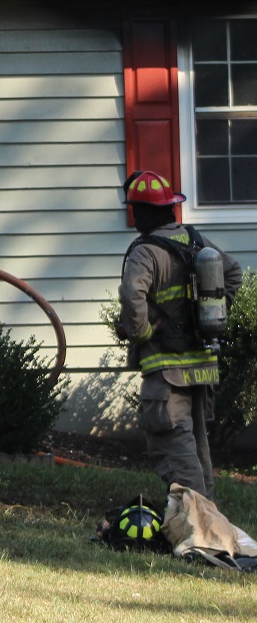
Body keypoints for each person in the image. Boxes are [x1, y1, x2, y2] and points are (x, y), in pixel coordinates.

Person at [115, 169, 242, 498]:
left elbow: (132, 295)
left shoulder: (145, 251)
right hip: (201, 364)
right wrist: (210, 315)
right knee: (197, 450)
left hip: (168, 369)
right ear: (170, 207)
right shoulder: (195, 241)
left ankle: (197, 528)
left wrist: (140, 333)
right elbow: (232, 272)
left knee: (174, 447)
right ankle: (208, 519)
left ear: (143, 211)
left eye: (135, 209)